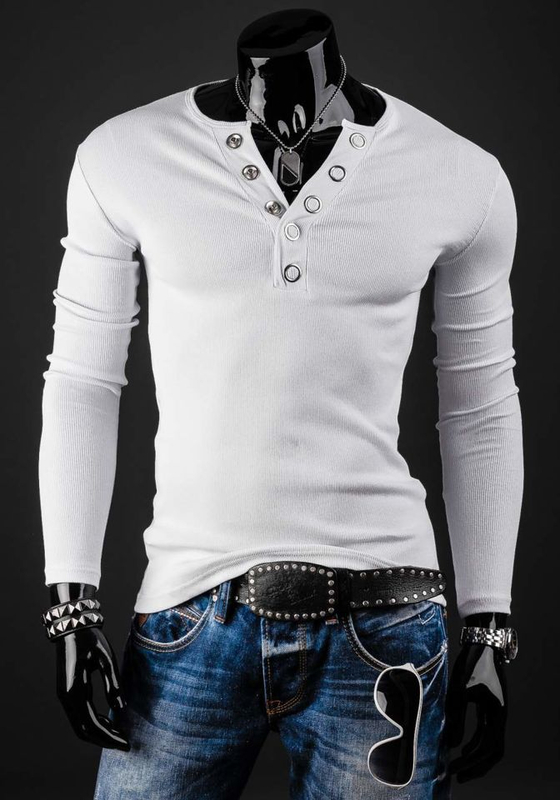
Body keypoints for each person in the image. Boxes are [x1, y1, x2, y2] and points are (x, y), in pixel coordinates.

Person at [38, 8, 523, 799]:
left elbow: (481, 407)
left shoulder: (459, 176)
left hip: (385, 629)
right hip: (188, 614)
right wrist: (72, 602)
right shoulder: (123, 157)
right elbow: (82, 380)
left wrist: (489, 620)